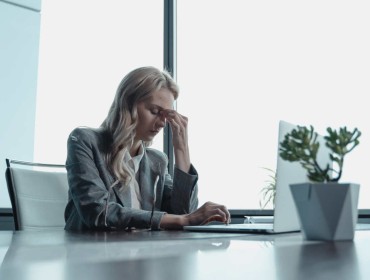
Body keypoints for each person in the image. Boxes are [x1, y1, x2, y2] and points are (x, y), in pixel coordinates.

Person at [64, 66, 230, 231]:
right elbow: (97, 212)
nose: (162, 123)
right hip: (92, 252)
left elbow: (183, 214)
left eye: (167, 115)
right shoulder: (84, 140)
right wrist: (183, 219)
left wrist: (182, 150)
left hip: (144, 251)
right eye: (155, 111)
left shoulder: (156, 160)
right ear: (128, 104)